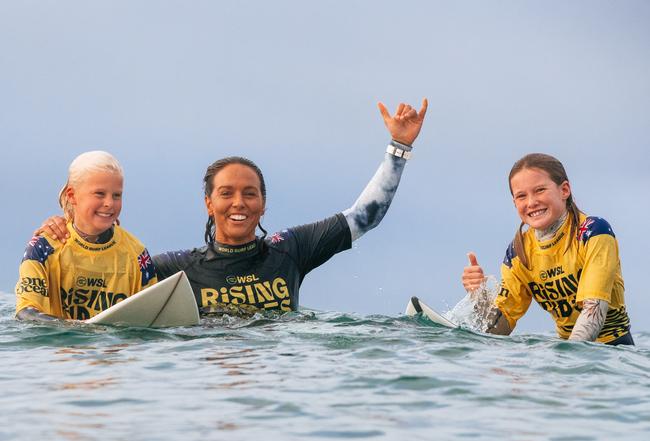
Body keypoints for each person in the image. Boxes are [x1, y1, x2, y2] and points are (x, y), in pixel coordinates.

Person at [36, 99, 428, 315]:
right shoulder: (177, 269)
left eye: (249, 193)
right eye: (226, 194)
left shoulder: (289, 249)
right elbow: (103, 276)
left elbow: (364, 217)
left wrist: (399, 149)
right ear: (209, 204)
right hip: (209, 371)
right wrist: (64, 229)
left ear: (263, 204)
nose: (238, 203)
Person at [461, 153, 633, 345]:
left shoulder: (593, 232)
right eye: (521, 196)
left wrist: (569, 360)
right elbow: (500, 327)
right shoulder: (519, 251)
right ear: (514, 203)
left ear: (564, 190)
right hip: (568, 355)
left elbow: (594, 314)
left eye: (540, 190)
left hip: (613, 356)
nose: (531, 202)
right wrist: (478, 296)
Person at [16, 151, 157, 321]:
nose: (109, 203)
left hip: (117, 347)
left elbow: (152, 318)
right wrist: (78, 330)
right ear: (72, 195)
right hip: (58, 346)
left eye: (117, 195)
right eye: (99, 194)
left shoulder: (137, 255)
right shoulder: (42, 248)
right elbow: (26, 314)